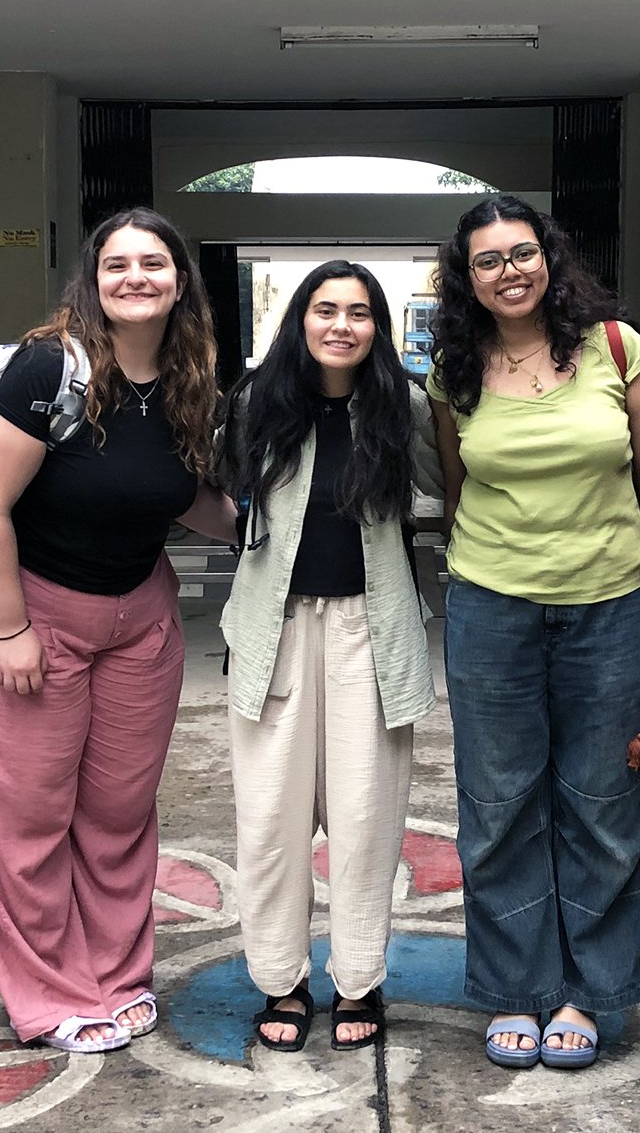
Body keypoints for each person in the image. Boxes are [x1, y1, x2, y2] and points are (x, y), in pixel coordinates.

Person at [0, 207, 235, 1054]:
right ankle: (48, 992)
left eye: (155, 262)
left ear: (181, 280)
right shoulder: (50, 368)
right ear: (94, 279)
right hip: (32, 610)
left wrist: (276, 524)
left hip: (139, 618)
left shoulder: (190, 378)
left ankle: (116, 974)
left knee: (118, 813)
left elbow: (178, 493)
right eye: (118, 264)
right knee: (29, 818)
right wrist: (10, 631)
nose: (136, 278)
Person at [426, 194, 640, 1069]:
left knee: (602, 802)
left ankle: (590, 990)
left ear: (549, 258)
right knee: (497, 805)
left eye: (521, 253)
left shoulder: (617, 349)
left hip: (610, 604)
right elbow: (458, 489)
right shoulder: (452, 367)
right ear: (468, 275)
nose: (509, 271)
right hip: (492, 606)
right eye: (488, 260)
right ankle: (516, 988)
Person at [220, 261, 438, 1053]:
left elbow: (447, 489)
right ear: (299, 319)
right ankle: (281, 978)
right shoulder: (257, 402)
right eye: (325, 309)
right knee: (271, 820)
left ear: (377, 326)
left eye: (358, 311)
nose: (341, 324)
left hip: (370, 629)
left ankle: (360, 981)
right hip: (273, 629)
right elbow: (220, 491)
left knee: (364, 818)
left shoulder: (401, 405)